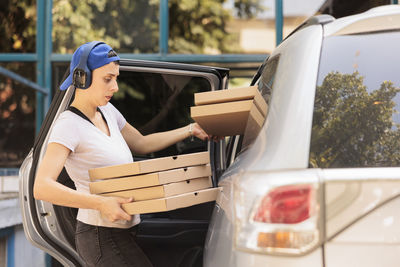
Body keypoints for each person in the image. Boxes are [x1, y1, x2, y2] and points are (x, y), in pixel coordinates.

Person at [33, 41, 215, 267]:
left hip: (124, 232)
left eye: (116, 78)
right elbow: (42, 186)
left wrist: (190, 129)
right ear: (82, 77)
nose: (115, 87)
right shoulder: (68, 125)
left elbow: (142, 142)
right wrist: (100, 203)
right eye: (107, 79)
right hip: (100, 236)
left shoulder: (107, 111)